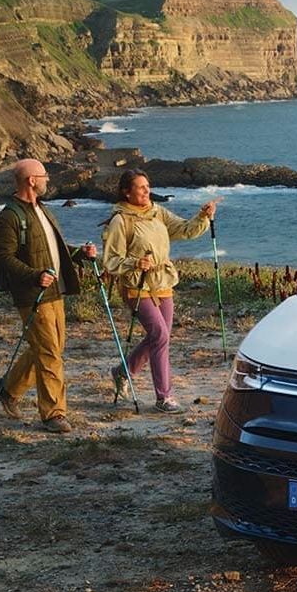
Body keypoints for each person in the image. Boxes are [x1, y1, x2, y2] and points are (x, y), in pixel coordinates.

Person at [99, 167, 218, 410]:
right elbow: (111, 260)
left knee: (160, 336)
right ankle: (164, 397)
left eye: (147, 186)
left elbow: (184, 230)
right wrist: (135, 263)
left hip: (163, 282)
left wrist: (203, 217)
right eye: (141, 187)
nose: (147, 191)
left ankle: (123, 371)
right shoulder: (120, 220)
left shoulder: (157, 212)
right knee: (160, 335)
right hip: (137, 285)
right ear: (126, 192)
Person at [0, 157, 84, 431]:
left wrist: (79, 254)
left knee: (49, 348)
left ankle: (7, 389)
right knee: (50, 352)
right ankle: (53, 414)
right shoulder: (10, 216)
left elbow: (52, 248)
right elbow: (4, 256)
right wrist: (33, 276)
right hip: (32, 294)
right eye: (43, 176)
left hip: (54, 291)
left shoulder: (41, 210)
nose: (47, 180)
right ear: (31, 180)